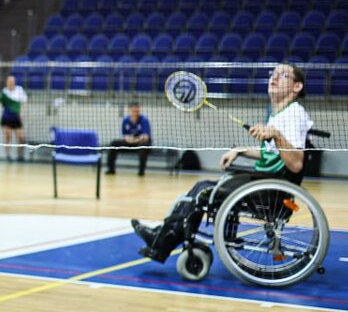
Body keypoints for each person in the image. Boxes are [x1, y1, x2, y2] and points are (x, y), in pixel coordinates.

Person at [131, 63, 313, 263]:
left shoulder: (294, 114)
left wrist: (276, 135)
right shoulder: (278, 114)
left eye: (283, 75)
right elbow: (271, 156)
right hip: (265, 180)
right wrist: (240, 150)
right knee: (201, 187)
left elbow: (295, 163)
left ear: (297, 87)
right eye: (274, 73)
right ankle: (163, 235)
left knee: (203, 193)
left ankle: (163, 242)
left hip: (270, 189)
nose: (275, 77)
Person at [0, 75, 27, 162]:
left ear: (14, 82)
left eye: (12, 81)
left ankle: (20, 156)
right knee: (8, 136)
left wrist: (23, 114)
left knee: (21, 137)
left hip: (16, 118)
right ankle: (8, 156)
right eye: (9, 81)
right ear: (7, 82)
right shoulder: (4, 92)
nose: (10, 83)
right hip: (6, 118)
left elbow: (24, 103)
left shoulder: (19, 90)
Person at [105, 101, 152, 176]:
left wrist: (135, 140)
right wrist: (128, 139)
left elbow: (145, 136)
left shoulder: (144, 120)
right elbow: (125, 135)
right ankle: (111, 169)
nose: (136, 113)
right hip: (129, 142)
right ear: (129, 111)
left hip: (140, 142)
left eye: (137, 111)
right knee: (114, 143)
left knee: (144, 146)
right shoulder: (126, 120)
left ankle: (141, 172)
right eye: (134, 111)